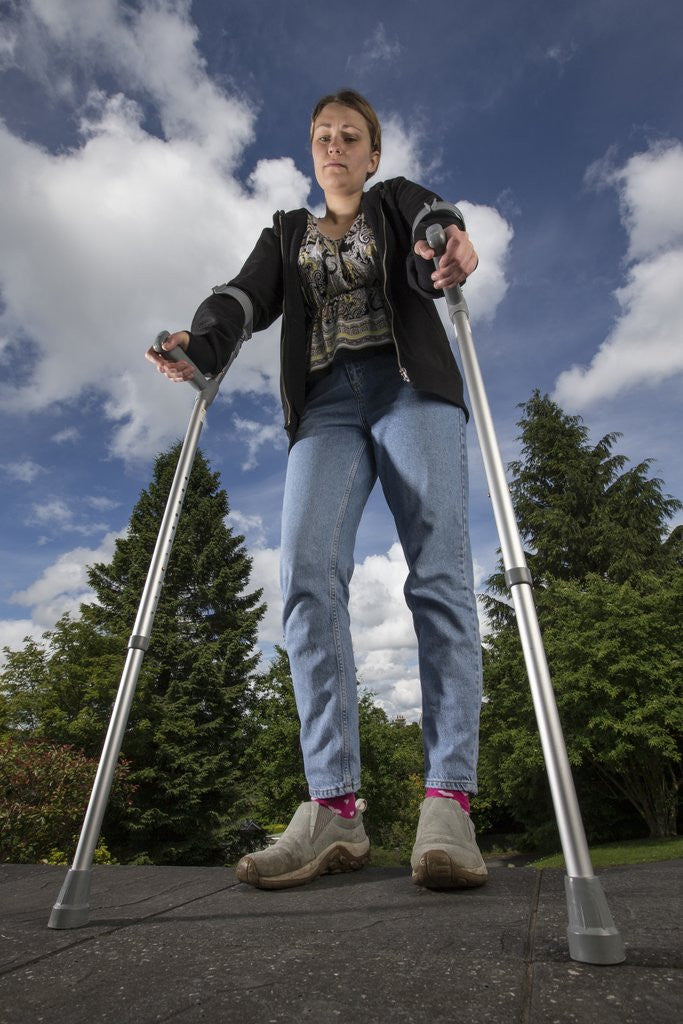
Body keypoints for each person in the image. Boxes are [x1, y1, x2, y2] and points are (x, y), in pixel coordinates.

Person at [146, 89, 487, 892]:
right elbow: (243, 297)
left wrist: (445, 240)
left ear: (371, 154)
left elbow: (430, 230)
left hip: (410, 391)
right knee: (306, 581)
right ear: (311, 152)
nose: (334, 147)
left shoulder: (396, 200)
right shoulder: (285, 233)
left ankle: (448, 801)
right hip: (326, 406)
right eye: (322, 137)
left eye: (350, 137)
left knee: (438, 577)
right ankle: (334, 806)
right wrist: (201, 341)